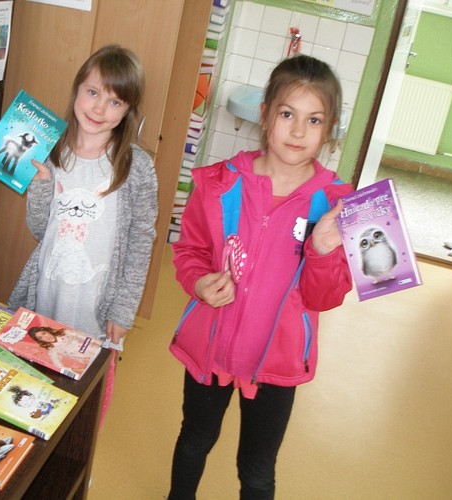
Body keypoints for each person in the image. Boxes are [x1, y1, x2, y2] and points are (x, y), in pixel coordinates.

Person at [167, 54, 354, 500]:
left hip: (276, 364)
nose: (298, 131)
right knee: (194, 440)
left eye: (314, 120)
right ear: (266, 113)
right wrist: (198, 282)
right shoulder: (220, 183)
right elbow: (189, 250)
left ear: (328, 130)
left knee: (256, 470)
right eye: (288, 114)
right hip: (211, 349)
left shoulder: (336, 204)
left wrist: (322, 250)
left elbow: (325, 297)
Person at [7, 45, 158, 416]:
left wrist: (123, 310)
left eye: (114, 102)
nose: (99, 109)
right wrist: (41, 185)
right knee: (33, 393)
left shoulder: (137, 167)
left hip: (96, 310)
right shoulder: (50, 151)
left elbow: (141, 243)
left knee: (84, 407)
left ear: (127, 110)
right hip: (47, 297)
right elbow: (40, 231)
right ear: (77, 89)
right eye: (92, 92)